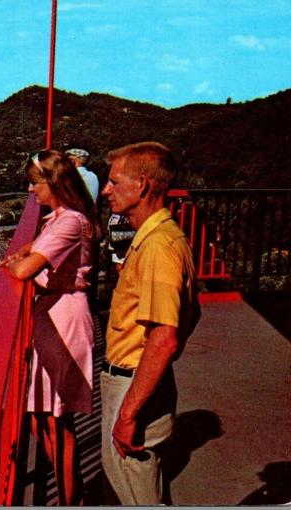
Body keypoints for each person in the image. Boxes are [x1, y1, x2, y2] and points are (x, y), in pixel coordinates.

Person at [99, 141, 200, 505]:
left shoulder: (158, 248)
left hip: (132, 383)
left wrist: (128, 413)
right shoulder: (164, 238)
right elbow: (192, 313)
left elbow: (165, 338)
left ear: (141, 185)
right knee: (138, 484)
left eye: (114, 181)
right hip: (141, 380)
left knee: (136, 490)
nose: (106, 190)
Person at [1, 149, 100, 505]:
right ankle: (73, 491)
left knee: (57, 423)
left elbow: (25, 269)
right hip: (53, 315)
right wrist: (22, 255)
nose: (31, 191)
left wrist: (15, 264)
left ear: (53, 182)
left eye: (35, 182)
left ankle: (72, 499)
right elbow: (32, 248)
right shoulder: (58, 218)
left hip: (65, 320)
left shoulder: (70, 221)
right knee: (40, 415)